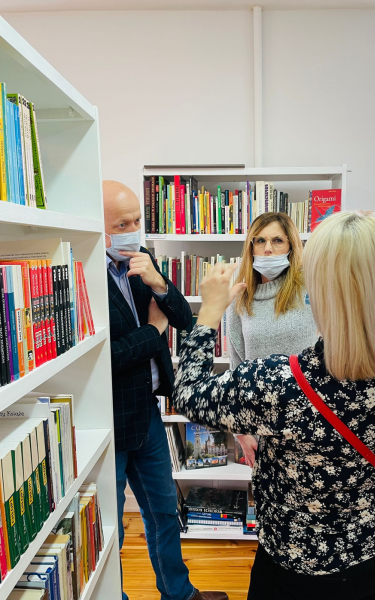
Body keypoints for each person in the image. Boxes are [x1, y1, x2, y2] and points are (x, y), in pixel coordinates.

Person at [171, 210, 375, 600]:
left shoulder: (283, 385)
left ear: (320, 295)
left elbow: (189, 393)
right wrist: (370, 247)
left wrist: (209, 311)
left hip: (305, 567)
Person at [103, 180, 228, 600]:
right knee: (111, 528)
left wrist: (159, 282)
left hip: (148, 413)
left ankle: (179, 594)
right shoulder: (84, 273)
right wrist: (153, 331)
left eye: (137, 219)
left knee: (163, 513)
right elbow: (108, 356)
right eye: (124, 222)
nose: (134, 228)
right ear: (100, 227)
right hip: (110, 421)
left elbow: (182, 318)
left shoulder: (140, 258)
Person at [227, 213, 317, 467]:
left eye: (278, 240)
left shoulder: (309, 286)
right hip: (259, 423)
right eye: (260, 241)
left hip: (309, 421)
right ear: (251, 246)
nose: (268, 249)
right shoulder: (240, 293)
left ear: (291, 246)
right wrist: (240, 432)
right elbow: (236, 367)